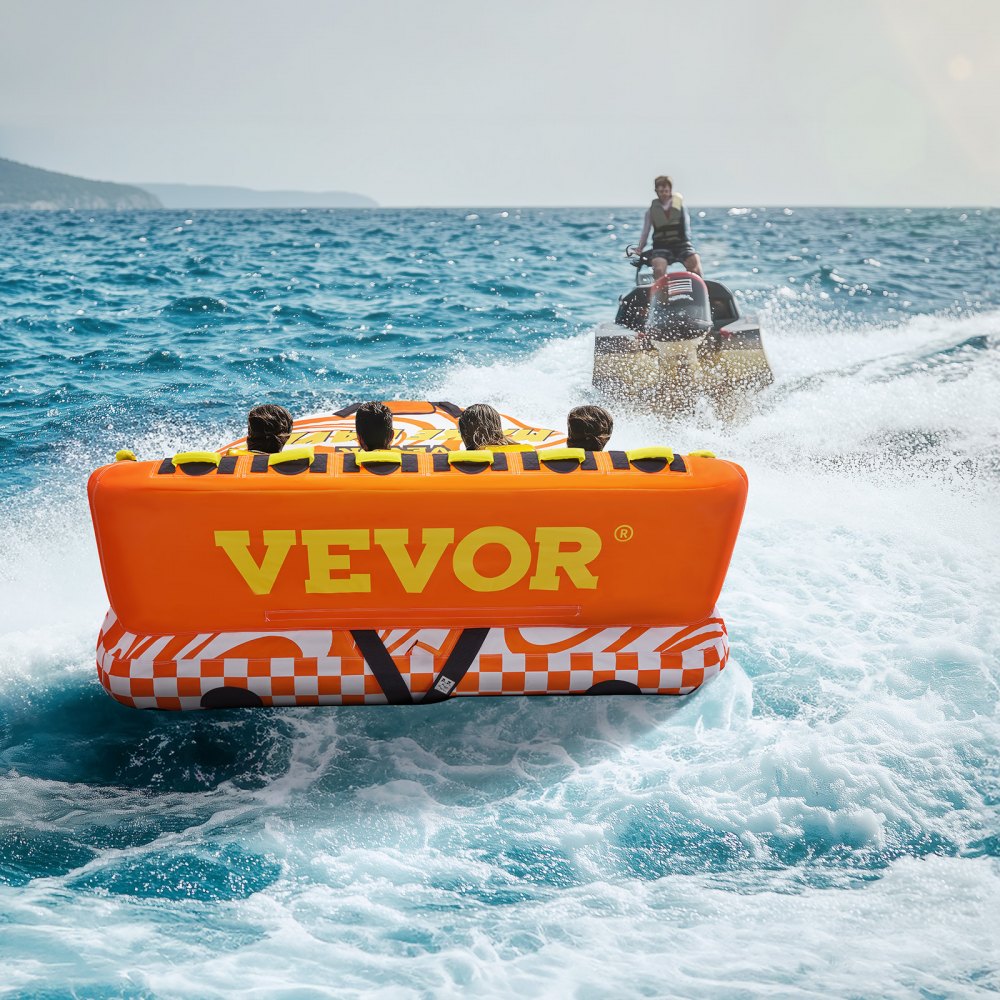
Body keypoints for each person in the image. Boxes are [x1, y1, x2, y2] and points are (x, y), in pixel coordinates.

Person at [634, 175, 703, 279]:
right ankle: (660, 292)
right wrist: (640, 248)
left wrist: (686, 244)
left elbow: (687, 228)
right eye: (661, 191)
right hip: (661, 246)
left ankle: (701, 289)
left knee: (694, 261)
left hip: (681, 244)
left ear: (670, 190)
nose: (664, 194)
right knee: (659, 268)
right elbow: (645, 232)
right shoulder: (650, 211)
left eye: (666, 191)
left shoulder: (681, 207)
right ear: (656, 191)